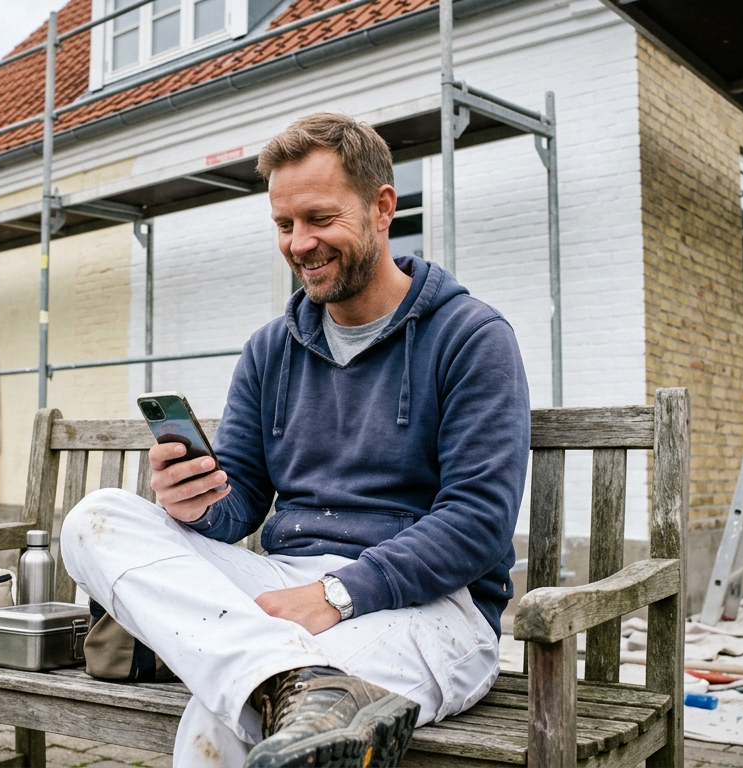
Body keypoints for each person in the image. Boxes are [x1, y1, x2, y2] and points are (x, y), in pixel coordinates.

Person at [60, 112, 529, 768]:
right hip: (286, 587)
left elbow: (478, 524)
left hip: (432, 607)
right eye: (284, 224)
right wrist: (195, 504)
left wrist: (337, 595)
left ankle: (281, 675)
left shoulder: (472, 337)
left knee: (231, 708)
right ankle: (289, 674)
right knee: (95, 520)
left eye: (319, 218)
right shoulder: (269, 350)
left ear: (382, 208)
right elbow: (240, 504)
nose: (299, 243)